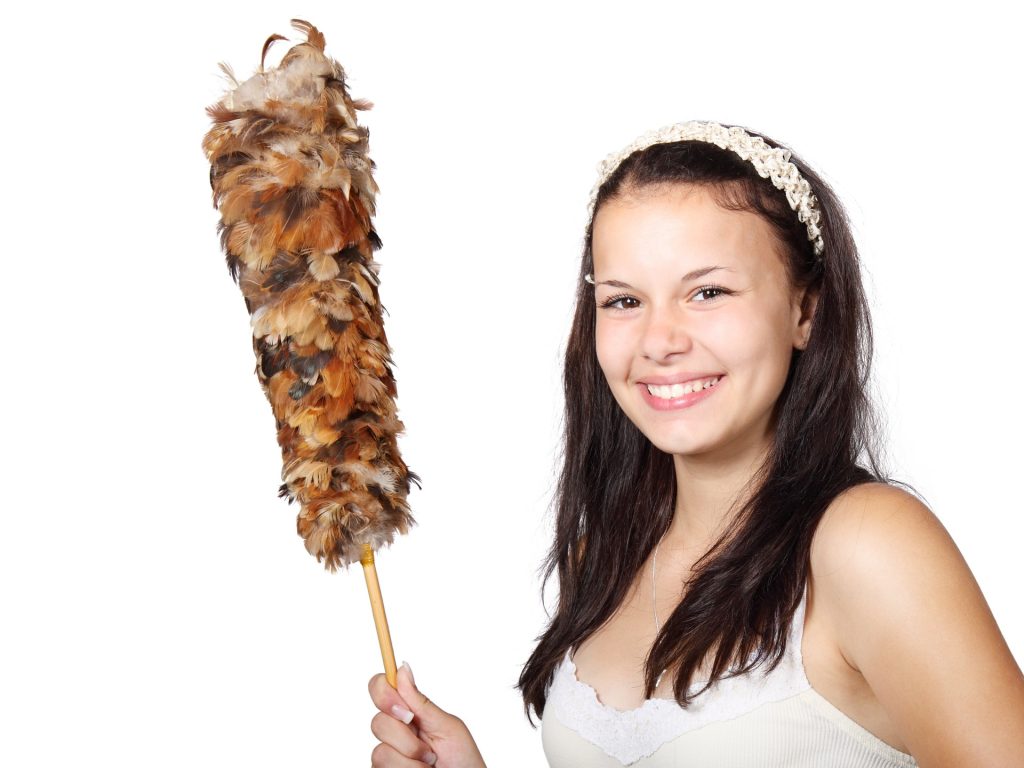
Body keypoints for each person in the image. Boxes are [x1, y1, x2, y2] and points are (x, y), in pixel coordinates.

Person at [367, 121, 1024, 767]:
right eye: (624, 301)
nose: (659, 341)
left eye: (707, 292)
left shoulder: (866, 544)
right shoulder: (604, 554)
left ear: (806, 311)